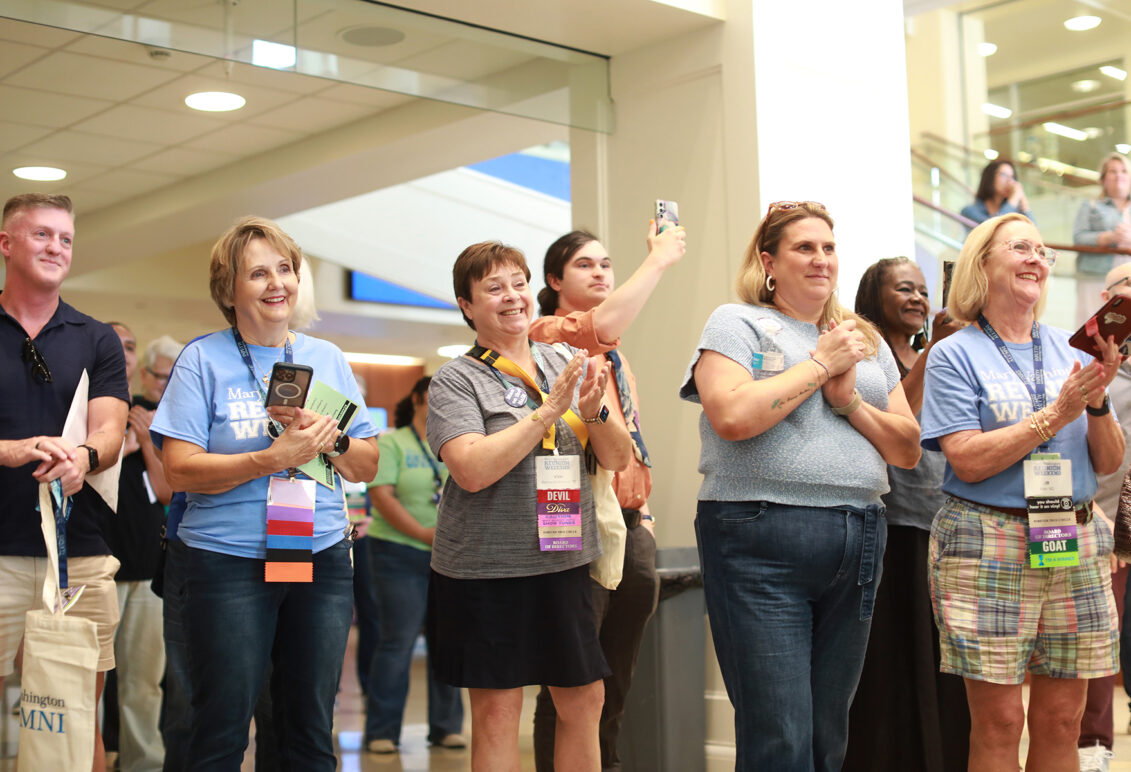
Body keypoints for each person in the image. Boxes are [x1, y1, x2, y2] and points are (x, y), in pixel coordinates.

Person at [679, 200, 920, 771]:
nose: (821, 260)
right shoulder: (734, 322)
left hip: (859, 533)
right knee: (780, 737)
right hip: (759, 534)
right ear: (768, 262)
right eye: (804, 248)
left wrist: (850, 402)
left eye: (829, 248)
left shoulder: (865, 339)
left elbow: (906, 449)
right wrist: (819, 364)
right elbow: (732, 418)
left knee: (827, 736)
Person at [149, 215, 380, 770]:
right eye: (258, 273)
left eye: (285, 268)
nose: (278, 283)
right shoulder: (202, 359)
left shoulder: (326, 359)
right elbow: (177, 469)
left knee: (308, 726)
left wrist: (329, 435)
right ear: (229, 289)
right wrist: (270, 460)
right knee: (222, 726)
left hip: (317, 554)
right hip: (225, 562)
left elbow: (365, 464)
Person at [920, 212, 1124, 771]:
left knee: (1063, 720)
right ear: (981, 264)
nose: (1036, 257)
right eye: (1020, 247)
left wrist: (1099, 400)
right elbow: (966, 457)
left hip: (1072, 534)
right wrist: (1056, 413)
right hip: (986, 539)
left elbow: (1108, 464)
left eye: (1042, 250)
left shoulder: (1073, 349)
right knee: (1001, 720)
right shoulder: (954, 354)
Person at [426, 241, 632, 771]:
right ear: (466, 305)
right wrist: (547, 414)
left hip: (562, 559)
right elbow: (470, 469)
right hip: (485, 568)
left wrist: (596, 411)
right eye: (493, 288)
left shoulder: (564, 360)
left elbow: (616, 456)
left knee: (585, 699)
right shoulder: (456, 379)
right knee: (498, 710)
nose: (512, 297)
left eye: (518, 283)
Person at [528, 221, 686, 771]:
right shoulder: (547, 334)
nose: (599, 272)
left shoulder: (617, 356)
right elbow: (607, 318)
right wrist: (659, 259)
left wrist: (645, 516)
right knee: (572, 679)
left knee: (616, 676)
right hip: (571, 518)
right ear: (554, 279)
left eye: (605, 264)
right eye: (584, 265)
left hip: (630, 520)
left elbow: (631, 437)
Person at [0, 193, 130, 772]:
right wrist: (10, 451)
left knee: (75, 724)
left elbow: (110, 429)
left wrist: (82, 456)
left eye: (66, 239)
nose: (57, 247)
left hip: (77, 556)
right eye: (42, 235)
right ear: (6, 244)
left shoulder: (96, 337)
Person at [842, 257, 970, 772]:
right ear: (875, 295)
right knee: (895, 653)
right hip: (892, 522)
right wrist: (934, 350)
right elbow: (904, 418)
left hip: (941, 518)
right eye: (904, 289)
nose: (918, 298)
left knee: (942, 654)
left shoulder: (930, 352)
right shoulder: (866, 351)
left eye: (922, 289)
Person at [364, 376, 465, 754]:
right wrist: (424, 534)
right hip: (398, 552)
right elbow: (382, 496)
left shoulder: (455, 440)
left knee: (448, 641)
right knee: (397, 641)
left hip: (450, 556)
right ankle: (382, 731)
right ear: (420, 399)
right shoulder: (392, 441)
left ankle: (446, 727)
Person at [104, 327, 181, 772]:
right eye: (159, 376)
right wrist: (125, 442)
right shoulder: (105, 410)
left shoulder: (159, 420)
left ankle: (142, 762)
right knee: (88, 676)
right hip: (96, 560)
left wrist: (147, 441)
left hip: (146, 563)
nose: (163, 384)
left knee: (143, 678)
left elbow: (168, 488)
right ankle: (90, 754)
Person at [1076, 259, 1131, 772]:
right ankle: (1093, 746)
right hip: (1106, 523)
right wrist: (1096, 514)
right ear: (1107, 300)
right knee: (1097, 638)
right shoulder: (1087, 365)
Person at [1073, 152, 1131, 324]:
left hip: (1128, 278)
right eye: (1112, 171)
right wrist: (1109, 237)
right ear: (1104, 179)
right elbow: (1079, 238)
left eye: (1123, 171)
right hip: (1095, 275)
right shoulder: (1090, 206)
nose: (1118, 175)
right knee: (1092, 323)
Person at [961, 159, 1032, 225]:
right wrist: (1014, 198)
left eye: (1012, 177)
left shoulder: (1015, 212)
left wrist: (1023, 201)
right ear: (990, 177)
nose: (1009, 181)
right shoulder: (969, 211)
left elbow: (1034, 234)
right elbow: (994, 228)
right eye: (1004, 175)